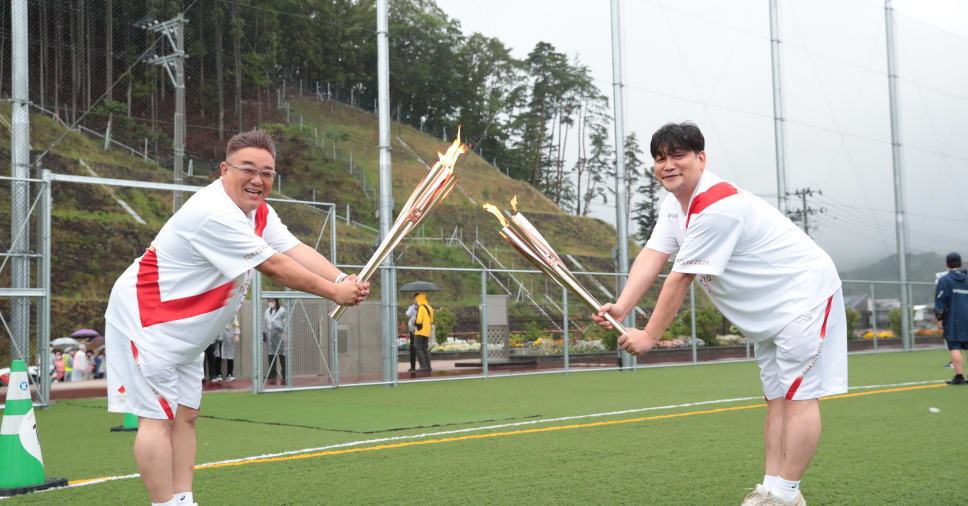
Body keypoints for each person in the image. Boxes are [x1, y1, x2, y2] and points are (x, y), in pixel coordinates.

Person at [104, 129, 369, 506]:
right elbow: (275, 266)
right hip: (147, 321)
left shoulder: (258, 212)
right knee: (156, 418)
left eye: (267, 173)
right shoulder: (213, 213)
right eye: (248, 169)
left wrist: (341, 278)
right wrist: (333, 292)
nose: (258, 180)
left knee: (186, 415)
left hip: (187, 329)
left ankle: (182, 499)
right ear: (224, 170)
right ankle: (163, 504)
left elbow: (291, 248)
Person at [593, 123, 845, 506]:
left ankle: (788, 496)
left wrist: (649, 335)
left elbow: (679, 278)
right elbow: (653, 255)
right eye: (660, 158)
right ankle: (771, 490)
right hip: (769, 311)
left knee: (798, 396)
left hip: (803, 296)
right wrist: (623, 305)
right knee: (776, 398)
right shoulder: (674, 206)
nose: (668, 165)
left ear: (701, 158)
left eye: (678, 155)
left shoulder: (717, 207)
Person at [935, 252, 968, 385]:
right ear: (961, 264)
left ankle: (959, 376)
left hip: (953, 317)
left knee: (954, 346)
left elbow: (941, 302)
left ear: (947, 265)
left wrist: (940, 318)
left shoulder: (944, 280)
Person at [263, 299, 287, 385]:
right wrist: (264, 334)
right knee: (271, 356)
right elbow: (265, 323)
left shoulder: (282, 311)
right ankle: (272, 375)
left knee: (282, 356)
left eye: (272, 301)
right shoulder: (267, 311)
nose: (271, 302)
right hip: (270, 336)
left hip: (279, 335)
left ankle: (284, 375)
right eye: (269, 301)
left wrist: (285, 335)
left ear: (276, 301)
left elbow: (285, 323)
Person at [213, 313, 240, 382]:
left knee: (230, 356)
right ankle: (218, 375)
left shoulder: (232, 310)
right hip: (219, 336)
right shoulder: (219, 310)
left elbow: (235, 322)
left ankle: (230, 375)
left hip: (229, 336)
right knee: (218, 355)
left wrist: (236, 334)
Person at [413, 292, 434, 372]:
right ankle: (428, 366)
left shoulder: (421, 308)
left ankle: (423, 366)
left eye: (415, 299)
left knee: (418, 348)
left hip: (420, 331)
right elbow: (431, 320)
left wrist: (415, 323)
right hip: (427, 331)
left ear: (419, 299)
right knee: (424, 348)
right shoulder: (429, 307)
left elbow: (419, 320)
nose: (415, 301)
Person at [405, 296, 419, 372]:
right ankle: (412, 367)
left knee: (421, 348)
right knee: (413, 348)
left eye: (417, 299)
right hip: (413, 329)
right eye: (415, 300)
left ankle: (424, 366)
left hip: (420, 329)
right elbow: (408, 314)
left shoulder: (423, 307)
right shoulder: (412, 307)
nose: (416, 301)